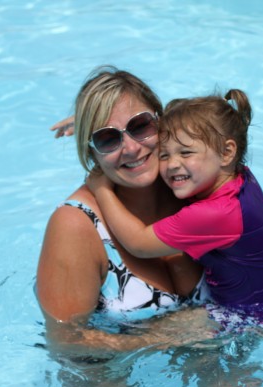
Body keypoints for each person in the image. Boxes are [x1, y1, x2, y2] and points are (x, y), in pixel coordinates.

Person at [86, 89, 263, 333]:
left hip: (256, 316)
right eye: (165, 155)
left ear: (226, 153)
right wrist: (98, 125)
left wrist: (101, 188)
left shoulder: (215, 214)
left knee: (145, 334)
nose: (172, 165)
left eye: (186, 153)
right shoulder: (239, 176)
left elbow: (138, 243)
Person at [36, 66, 214, 351]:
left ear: (162, 123)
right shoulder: (75, 226)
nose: (130, 148)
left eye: (140, 125)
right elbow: (66, 342)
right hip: (110, 375)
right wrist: (164, 337)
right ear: (90, 151)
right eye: (107, 138)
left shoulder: (194, 184)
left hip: (213, 351)